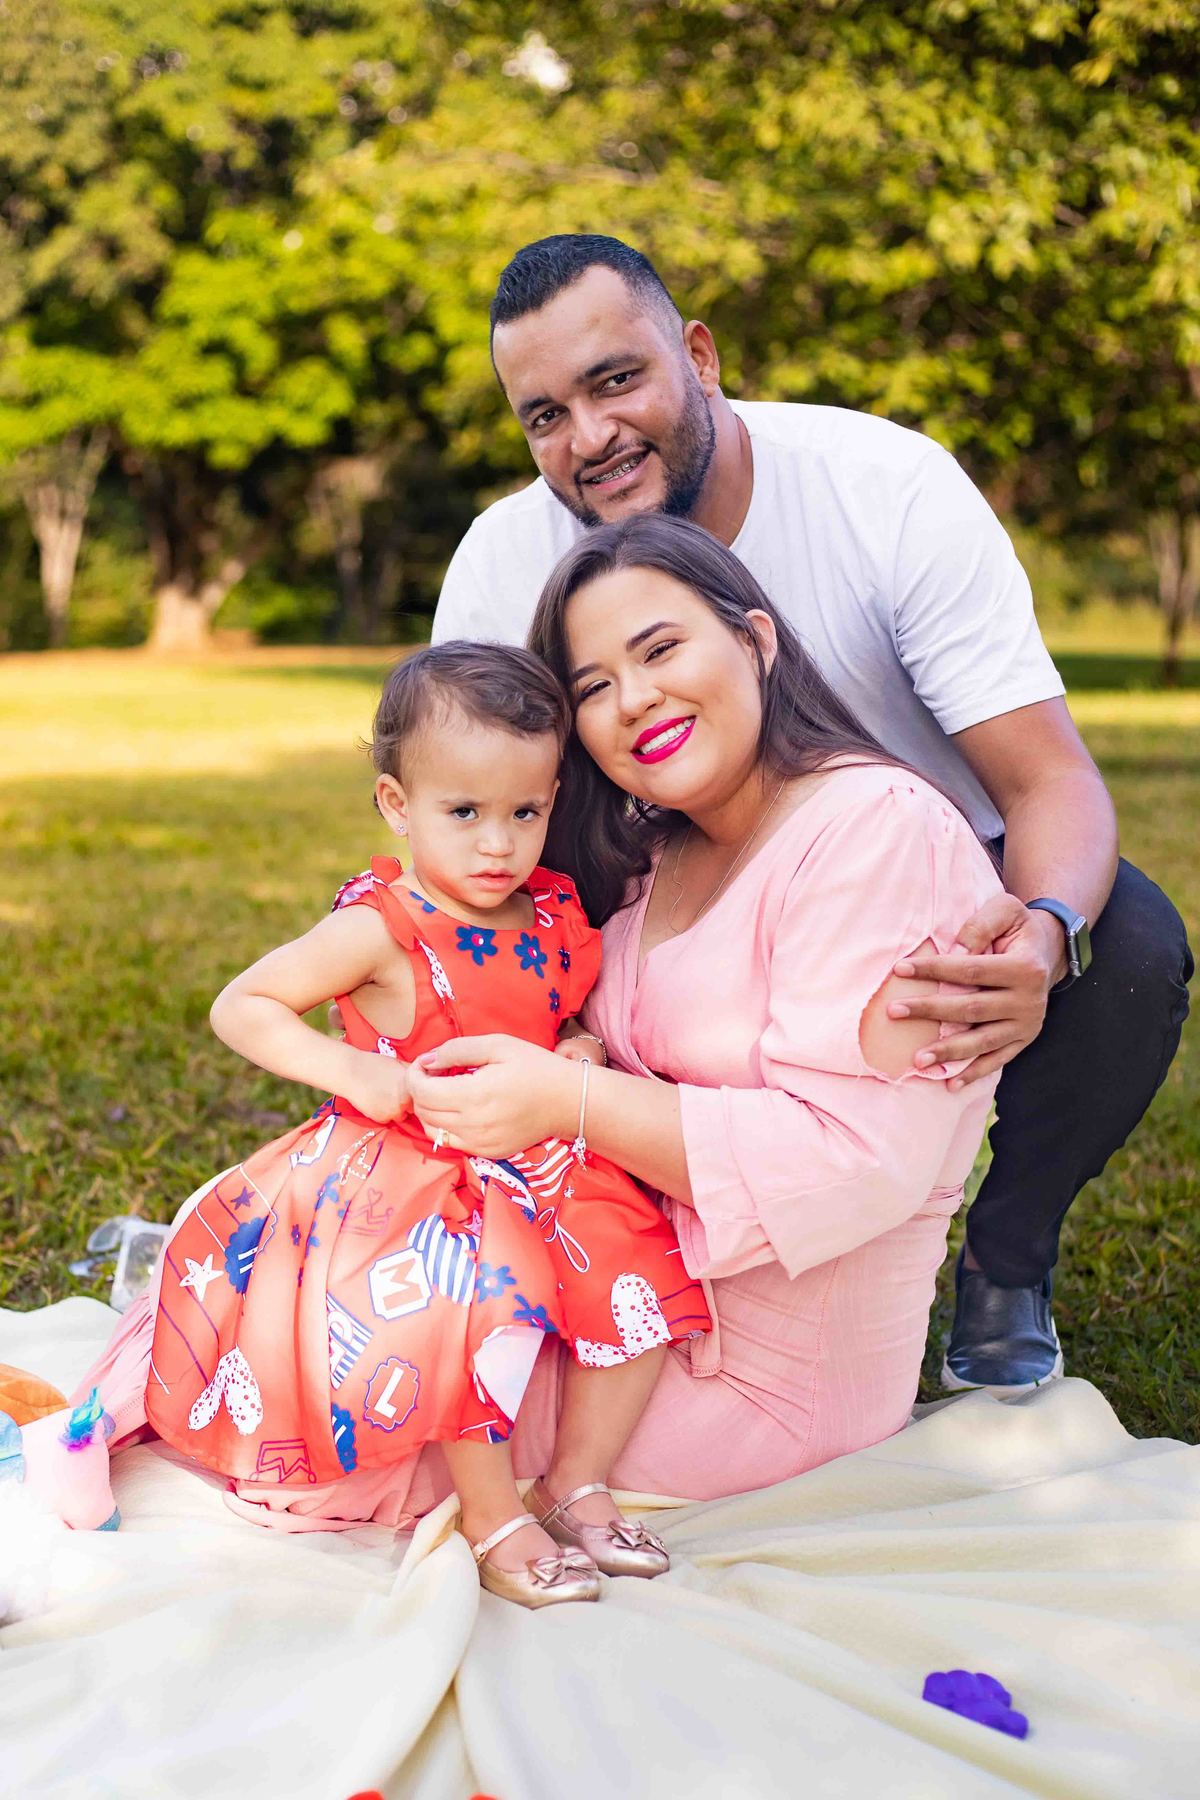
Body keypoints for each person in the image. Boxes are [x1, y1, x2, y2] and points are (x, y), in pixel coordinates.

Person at [433, 232, 1193, 1394]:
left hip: (919, 892)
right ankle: (614, 1231)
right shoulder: (503, 562)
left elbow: (1049, 780)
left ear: (699, 356)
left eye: (616, 381)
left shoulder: (883, 488)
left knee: (1126, 945)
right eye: (545, 416)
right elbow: (463, 838)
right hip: (662, 887)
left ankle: (1006, 1259)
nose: (589, 438)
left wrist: (1043, 935)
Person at [138, 642, 712, 1610]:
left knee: (637, 1272)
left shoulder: (549, 912)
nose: (498, 846)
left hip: (542, 1151)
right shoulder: (383, 927)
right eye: (464, 813)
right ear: (397, 806)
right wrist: (352, 1069)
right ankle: (493, 1514)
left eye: (525, 813)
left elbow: (554, 1013)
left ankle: (578, 1480)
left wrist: (576, 1046)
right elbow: (244, 1005)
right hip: (417, 1166)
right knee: (474, 1301)